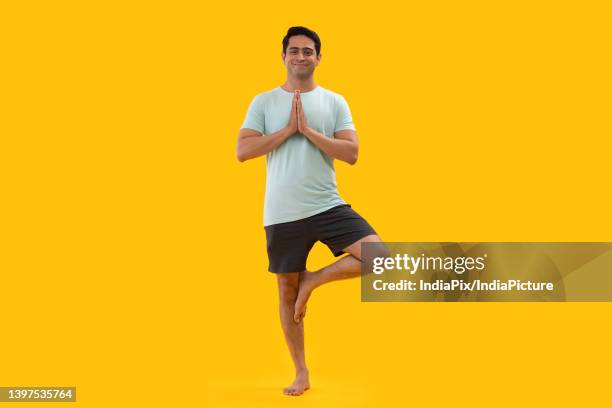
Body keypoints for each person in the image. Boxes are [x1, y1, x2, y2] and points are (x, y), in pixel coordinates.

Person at [237, 26, 383, 396]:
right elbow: (243, 150)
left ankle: (314, 280)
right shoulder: (264, 101)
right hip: (282, 212)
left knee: (380, 258)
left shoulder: (334, 101)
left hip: (327, 204)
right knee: (286, 293)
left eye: (308, 51)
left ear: (319, 57)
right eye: (294, 51)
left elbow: (351, 154)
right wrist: (287, 130)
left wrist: (308, 131)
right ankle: (301, 373)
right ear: (283, 56)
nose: (301, 57)